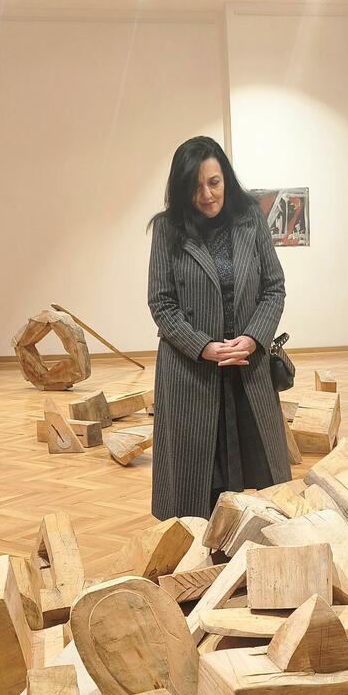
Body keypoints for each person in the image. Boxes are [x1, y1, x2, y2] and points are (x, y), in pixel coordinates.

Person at [147, 136, 291, 520]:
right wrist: (204, 347)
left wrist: (253, 338)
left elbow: (273, 288)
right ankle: (198, 561)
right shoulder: (167, 230)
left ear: (226, 178)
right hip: (193, 373)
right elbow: (161, 303)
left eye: (214, 182)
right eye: (195, 186)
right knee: (196, 485)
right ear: (181, 189)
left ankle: (257, 549)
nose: (207, 194)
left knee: (266, 478)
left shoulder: (250, 220)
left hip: (248, 368)